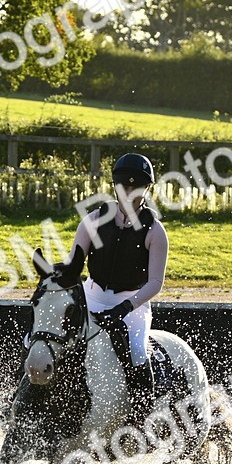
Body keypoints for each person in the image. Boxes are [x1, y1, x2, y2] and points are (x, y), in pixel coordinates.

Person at [54, 152, 170, 422]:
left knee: (139, 353)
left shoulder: (155, 232)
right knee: (50, 336)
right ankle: (22, 396)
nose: (130, 193)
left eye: (136, 187)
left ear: (147, 188)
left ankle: (142, 416)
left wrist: (126, 307)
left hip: (133, 304)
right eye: (124, 187)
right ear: (115, 186)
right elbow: (74, 266)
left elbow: (155, 282)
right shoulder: (93, 221)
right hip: (91, 296)